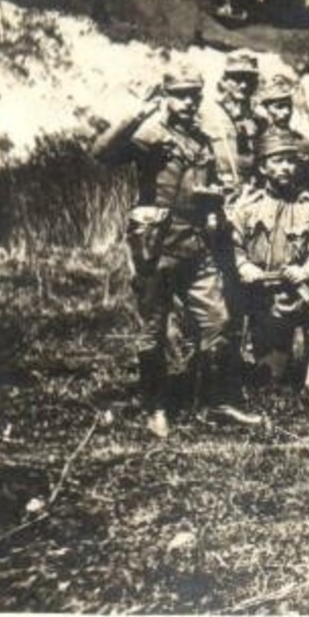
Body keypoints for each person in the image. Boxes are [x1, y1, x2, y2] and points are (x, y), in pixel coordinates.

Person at [91, 65, 258, 437]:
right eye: (179, 94)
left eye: (193, 95)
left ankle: (218, 402)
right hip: (156, 249)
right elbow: (101, 153)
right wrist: (137, 111)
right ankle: (156, 407)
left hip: (197, 245)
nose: (187, 102)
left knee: (218, 323)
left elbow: (204, 186)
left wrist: (217, 200)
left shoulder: (201, 139)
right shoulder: (150, 135)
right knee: (153, 331)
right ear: (165, 96)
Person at [227, 128, 309, 414]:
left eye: (290, 161)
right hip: (260, 298)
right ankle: (257, 382)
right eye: (276, 160)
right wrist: (243, 265)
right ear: (263, 166)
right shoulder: (246, 206)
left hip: (300, 293)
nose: (285, 167)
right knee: (270, 379)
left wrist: (307, 270)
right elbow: (231, 247)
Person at [205, 50, 263, 190]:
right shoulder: (206, 112)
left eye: (249, 79)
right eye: (237, 79)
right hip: (215, 195)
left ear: (255, 83)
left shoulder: (261, 120)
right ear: (224, 81)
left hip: (252, 195)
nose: (243, 85)